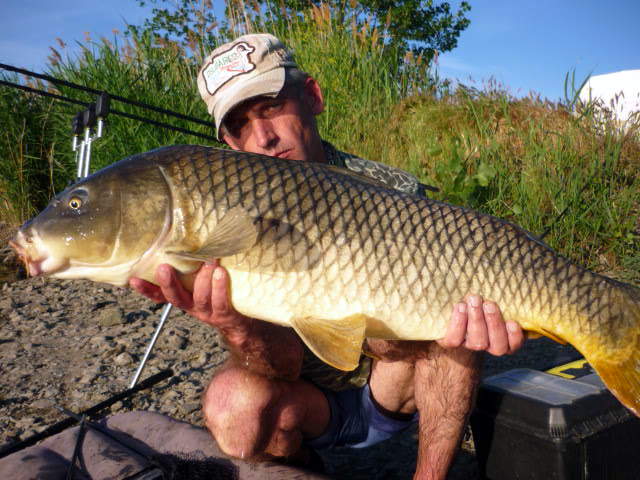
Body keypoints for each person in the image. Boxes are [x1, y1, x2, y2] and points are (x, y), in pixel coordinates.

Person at [130, 33, 526, 479]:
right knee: (230, 402)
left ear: (312, 97)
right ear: (230, 143)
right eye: (240, 125)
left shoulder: (393, 192)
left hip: (392, 389)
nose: (263, 136)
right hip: (307, 401)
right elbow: (280, 366)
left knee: (453, 322)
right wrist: (236, 327)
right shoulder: (220, 217)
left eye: (272, 107)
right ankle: (302, 469)